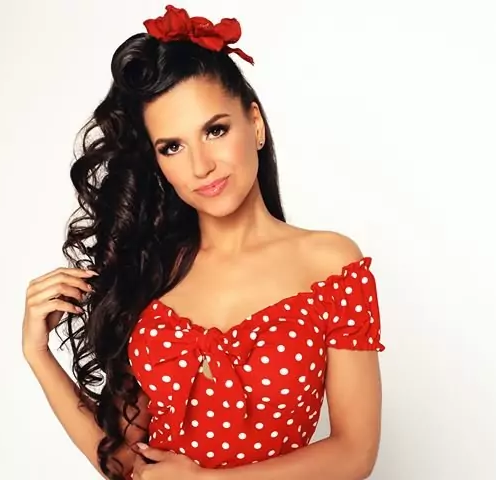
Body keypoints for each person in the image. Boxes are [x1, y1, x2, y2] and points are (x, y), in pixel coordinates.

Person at [22, 5, 385, 480]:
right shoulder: (152, 273)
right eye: (172, 147)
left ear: (255, 124)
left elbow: (355, 453)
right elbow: (125, 465)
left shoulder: (331, 264)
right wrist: (38, 355)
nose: (201, 166)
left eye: (215, 130)